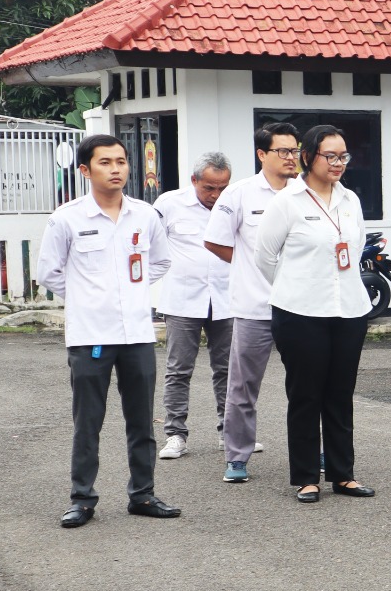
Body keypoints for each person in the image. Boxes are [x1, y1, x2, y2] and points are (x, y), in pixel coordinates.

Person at [37, 134, 177, 528]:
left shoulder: (144, 215)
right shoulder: (67, 218)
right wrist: (89, 296)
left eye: (121, 161)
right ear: (85, 170)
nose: (115, 169)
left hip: (137, 334)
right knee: (88, 423)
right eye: (105, 162)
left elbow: (161, 261)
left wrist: (130, 291)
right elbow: (48, 272)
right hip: (91, 336)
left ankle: (143, 494)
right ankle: (82, 499)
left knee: (141, 420)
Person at [254, 124, 375, 504]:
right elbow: (264, 257)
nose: (339, 163)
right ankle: (306, 477)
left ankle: (343, 474)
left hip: (349, 310)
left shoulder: (350, 200)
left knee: (340, 394)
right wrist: (295, 286)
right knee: (305, 395)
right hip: (300, 312)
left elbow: (355, 248)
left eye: (344, 156)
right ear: (308, 157)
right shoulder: (287, 202)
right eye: (330, 156)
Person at [204, 122, 298, 482]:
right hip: (254, 307)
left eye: (295, 151)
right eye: (283, 151)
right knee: (242, 387)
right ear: (262, 154)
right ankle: (237, 457)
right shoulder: (240, 194)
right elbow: (215, 240)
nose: (291, 158)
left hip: (301, 308)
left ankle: (314, 452)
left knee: (308, 386)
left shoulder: (305, 193)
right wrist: (250, 264)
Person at [155, 153, 234, 460]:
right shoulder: (168, 204)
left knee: (229, 370)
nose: (216, 195)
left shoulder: (234, 203)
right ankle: (175, 434)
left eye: (222, 188)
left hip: (226, 298)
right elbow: (150, 246)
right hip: (182, 300)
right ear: (194, 180)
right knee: (178, 370)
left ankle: (230, 433)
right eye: (209, 188)